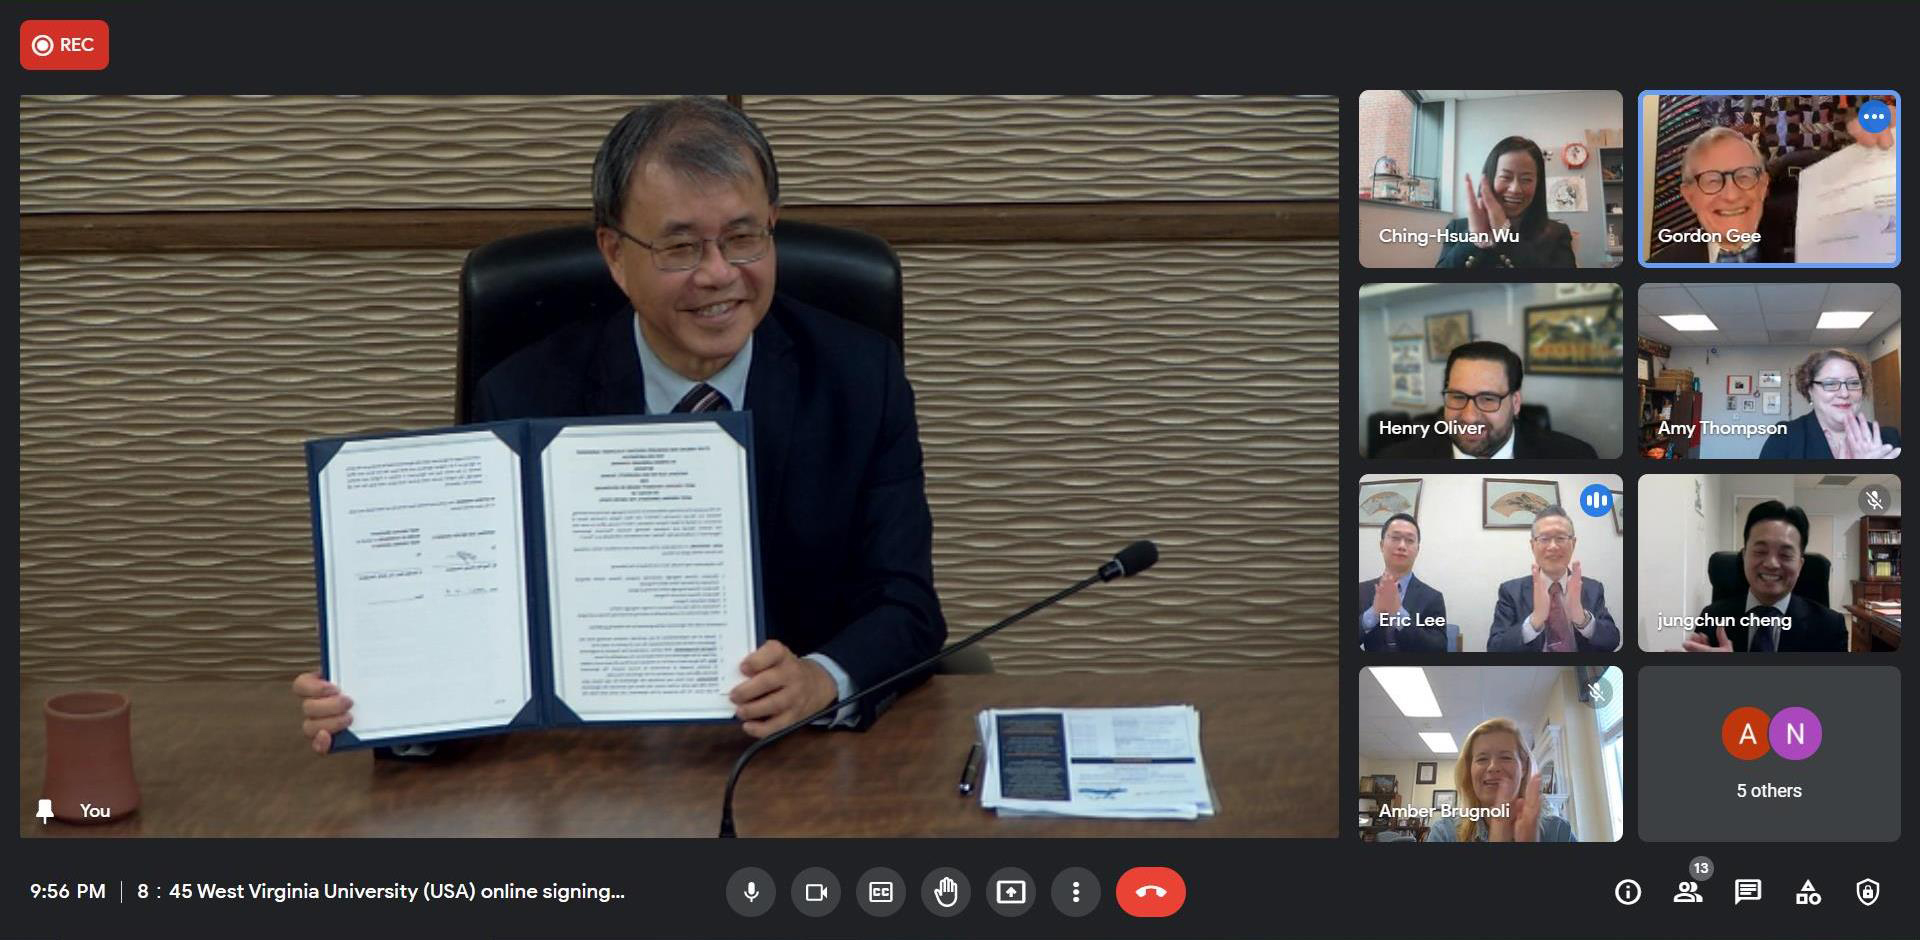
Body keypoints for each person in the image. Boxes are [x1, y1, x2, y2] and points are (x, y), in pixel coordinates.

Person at [295, 97, 947, 751]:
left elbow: (907, 605)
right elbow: (484, 635)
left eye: (744, 238)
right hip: (588, 770)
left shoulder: (861, 379)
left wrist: (820, 680)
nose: (719, 274)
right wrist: (388, 707)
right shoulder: (523, 396)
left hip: (796, 763)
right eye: (680, 247)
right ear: (614, 253)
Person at [1650, 101, 1896, 264]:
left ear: (1764, 185)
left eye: (1744, 176)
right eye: (1712, 180)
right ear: (1689, 195)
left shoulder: (1825, 254)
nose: (1732, 195)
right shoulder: (1660, 268)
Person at [1374, 341, 1599, 459]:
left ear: (1516, 403)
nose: (1470, 417)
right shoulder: (1393, 460)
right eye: (1458, 396)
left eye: (1488, 399)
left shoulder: (1576, 457)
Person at [1684, 501, 1846, 652]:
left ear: (1800, 565)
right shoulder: (1712, 617)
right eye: (1760, 551)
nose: (1771, 564)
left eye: (1785, 554)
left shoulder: (1830, 626)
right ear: (1744, 556)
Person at [1487, 507, 1619, 652]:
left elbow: (1612, 641)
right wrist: (1534, 621)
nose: (1553, 546)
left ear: (1573, 544)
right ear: (1533, 545)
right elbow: (1495, 647)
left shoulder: (1592, 588)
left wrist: (1582, 619)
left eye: (1561, 538)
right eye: (1544, 539)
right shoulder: (1510, 591)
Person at [1425, 717, 1575, 842]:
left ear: (1523, 767)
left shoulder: (1558, 833)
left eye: (1505, 757)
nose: (1493, 767)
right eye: (1482, 758)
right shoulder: (1445, 834)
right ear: (1469, 770)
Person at [1434, 137, 1574, 269]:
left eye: (1526, 179)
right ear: (1489, 179)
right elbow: (1436, 289)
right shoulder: (1456, 229)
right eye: (1505, 177)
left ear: (1538, 184)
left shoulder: (1557, 234)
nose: (1515, 189)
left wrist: (1505, 235)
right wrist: (1475, 239)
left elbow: (1561, 290)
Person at [1758, 349, 1901, 459]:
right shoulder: (1784, 436)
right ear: (1809, 389)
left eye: (1853, 383)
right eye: (1831, 383)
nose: (1844, 393)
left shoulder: (1889, 439)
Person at [1357, 513, 1448, 652]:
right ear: (1382, 545)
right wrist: (1374, 613)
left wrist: (1398, 614)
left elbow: (1438, 648)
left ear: (1418, 550)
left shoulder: (1433, 598)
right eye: (1395, 538)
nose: (1402, 545)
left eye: (1410, 540)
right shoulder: (1361, 591)